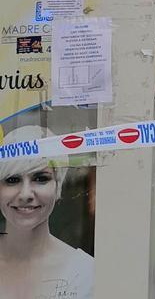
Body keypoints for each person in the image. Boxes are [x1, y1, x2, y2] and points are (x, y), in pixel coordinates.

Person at [0, 126, 94, 299]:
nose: (25, 194)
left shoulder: (85, 274)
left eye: (40, 179)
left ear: (58, 185)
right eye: (12, 180)